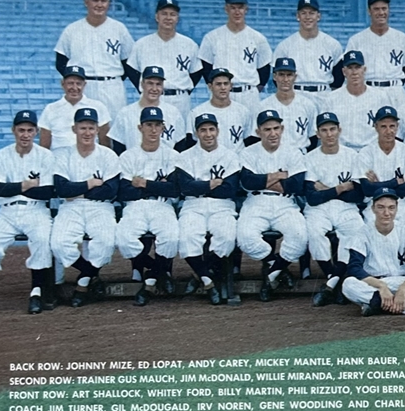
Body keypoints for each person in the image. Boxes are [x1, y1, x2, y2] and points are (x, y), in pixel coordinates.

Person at [0, 110, 56, 315]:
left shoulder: (45, 156)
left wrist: (14, 187)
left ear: (36, 132)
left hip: (36, 211)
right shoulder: (1, 155)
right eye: (21, 130)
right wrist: (28, 184)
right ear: (14, 131)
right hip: (7, 212)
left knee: (41, 240)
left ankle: (36, 293)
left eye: (30, 130)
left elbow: (47, 192)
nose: (25, 134)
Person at [50, 107, 122, 307]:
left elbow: (110, 191)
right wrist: (90, 183)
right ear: (74, 129)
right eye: (83, 128)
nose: (87, 132)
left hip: (100, 207)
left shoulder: (108, 155)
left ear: (98, 129)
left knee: (106, 242)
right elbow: (62, 189)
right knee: (58, 244)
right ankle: (90, 274)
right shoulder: (63, 155)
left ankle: (82, 284)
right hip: (70, 207)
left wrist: (77, 191)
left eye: (91, 128)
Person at [237, 110, 309, 302]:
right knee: (245, 237)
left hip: (284, 202)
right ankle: (277, 267)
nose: (272, 133)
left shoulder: (292, 151)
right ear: (258, 131)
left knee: (300, 237)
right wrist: (278, 175)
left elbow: (296, 184)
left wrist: (264, 179)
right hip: (256, 201)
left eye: (276, 128)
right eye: (267, 129)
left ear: (282, 128)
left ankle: (271, 274)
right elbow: (248, 182)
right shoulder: (248, 152)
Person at [341, 188, 405, 317]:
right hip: (374, 283)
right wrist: (381, 287)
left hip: (404, 281)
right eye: (381, 207)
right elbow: (354, 268)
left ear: (396, 209)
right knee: (348, 285)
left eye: (391, 208)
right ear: (373, 209)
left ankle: (377, 306)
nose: (386, 213)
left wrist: (403, 288)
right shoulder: (362, 233)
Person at [115, 106, 181, 306]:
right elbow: (124, 191)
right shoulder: (128, 156)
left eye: (157, 125)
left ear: (163, 128)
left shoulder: (172, 155)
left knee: (171, 237)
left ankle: (151, 278)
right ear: (140, 127)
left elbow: (174, 190)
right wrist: (158, 186)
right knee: (124, 239)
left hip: (162, 206)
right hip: (135, 207)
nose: (153, 130)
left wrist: (144, 184)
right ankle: (160, 273)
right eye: (149, 125)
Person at [175, 113, 241, 305]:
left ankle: (200, 276)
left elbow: (230, 188)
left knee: (227, 237)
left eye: (211, 129)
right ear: (196, 133)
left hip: (222, 206)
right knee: (187, 238)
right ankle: (208, 280)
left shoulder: (229, 155)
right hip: (193, 205)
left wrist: (200, 185)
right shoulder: (185, 156)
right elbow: (185, 187)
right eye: (203, 130)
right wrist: (212, 184)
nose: (208, 134)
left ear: (218, 131)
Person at [303, 112, 365, 306]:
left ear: (339, 130)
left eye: (332, 129)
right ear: (317, 133)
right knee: (314, 233)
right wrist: (340, 188)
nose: (329, 134)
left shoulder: (352, 156)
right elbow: (312, 198)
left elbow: (358, 195)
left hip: (346, 207)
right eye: (324, 130)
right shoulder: (310, 157)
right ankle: (335, 278)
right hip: (318, 209)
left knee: (355, 232)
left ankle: (331, 283)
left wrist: (326, 189)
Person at [54, 0, 134, 117]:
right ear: (86, 2)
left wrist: (113, 78)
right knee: (81, 129)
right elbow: (60, 62)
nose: (99, 4)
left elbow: (129, 61)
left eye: (103, 1)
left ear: (109, 3)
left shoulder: (119, 29)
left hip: (112, 86)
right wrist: (76, 81)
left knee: (112, 128)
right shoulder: (72, 29)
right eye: (95, 0)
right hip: (84, 87)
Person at [354, 106, 405, 243]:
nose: (389, 131)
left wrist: (378, 185)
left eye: (392, 126)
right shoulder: (366, 153)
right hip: (376, 204)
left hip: (404, 203)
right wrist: (395, 182)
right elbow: (367, 189)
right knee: (376, 235)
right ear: (376, 127)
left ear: (398, 126)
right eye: (383, 126)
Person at [125, 0, 204, 119]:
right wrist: (143, 89)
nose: (168, 18)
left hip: (179, 99)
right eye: (164, 14)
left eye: (172, 14)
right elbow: (131, 69)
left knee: (179, 136)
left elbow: (196, 72)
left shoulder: (189, 44)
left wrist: (182, 88)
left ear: (177, 18)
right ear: (157, 17)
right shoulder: (142, 44)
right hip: (151, 99)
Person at [198, 0, 272, 109]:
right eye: (233, 7)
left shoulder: (258, 38)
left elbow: (264, 70)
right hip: (222, 94)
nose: (237, 12)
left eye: (240, 7)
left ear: (246, 9)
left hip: (248, 94)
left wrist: (253, 89)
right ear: (226, 9)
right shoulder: (212, 37)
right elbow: (206, 68)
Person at [345, 0, 405, 107]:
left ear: (389, 10)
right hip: (368, 89)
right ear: (369, 11)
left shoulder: (401, 38)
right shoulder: (356, 40)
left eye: (384, 8)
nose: (381, 12)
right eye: (376, 9)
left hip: (394, 91)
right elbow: (349, 69)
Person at [271, 0, 344, 102]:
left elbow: (338, 77)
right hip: (297, 94)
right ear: (297, 16)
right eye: (303, 13)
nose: (307, 17)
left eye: (311, 13)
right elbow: (276, 76)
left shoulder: (332, 44)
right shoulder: (285, 45)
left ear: (318, 16)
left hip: (324, 95)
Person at [109, 66, 188, 152]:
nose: (154, 89)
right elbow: (118, 148)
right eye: (150, 83)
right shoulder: (125, 113)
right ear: (142, 84)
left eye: (158, 84)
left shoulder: (173, 112)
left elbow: (180, 147)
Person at [327, 51, 395, 150]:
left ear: (364, 69)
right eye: (350, 68)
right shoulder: (331, 98)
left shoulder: (380, 97)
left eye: (357, 67)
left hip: (372, 150)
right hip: (342, 150)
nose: (354, 72)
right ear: (343, 72)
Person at [247, 58, 318, 152]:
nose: (285, 79)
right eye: (281, 75)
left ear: (295, 77)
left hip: (301, 156)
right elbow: (254, 139)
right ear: (274, 76)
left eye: (289, 75)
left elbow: (313, 138)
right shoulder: (262, 106)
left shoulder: (308, 105)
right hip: (272, 156)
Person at [38, 65, 111, 150]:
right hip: (58, 158)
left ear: (84, 84)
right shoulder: (51, 109)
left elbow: (105, 143)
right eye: (70, 83)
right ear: (62, 84)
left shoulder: (98, 107)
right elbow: (44, 146)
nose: (74, 88)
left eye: (78, 84)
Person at [190, 67, 253, 150]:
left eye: (226, 83)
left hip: (237, 159)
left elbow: (249, 141)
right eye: (218, 84)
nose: (223, 87)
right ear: (210, 86)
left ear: (231, 86)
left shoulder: (243, 111)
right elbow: (192, 142)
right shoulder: (196, 112)